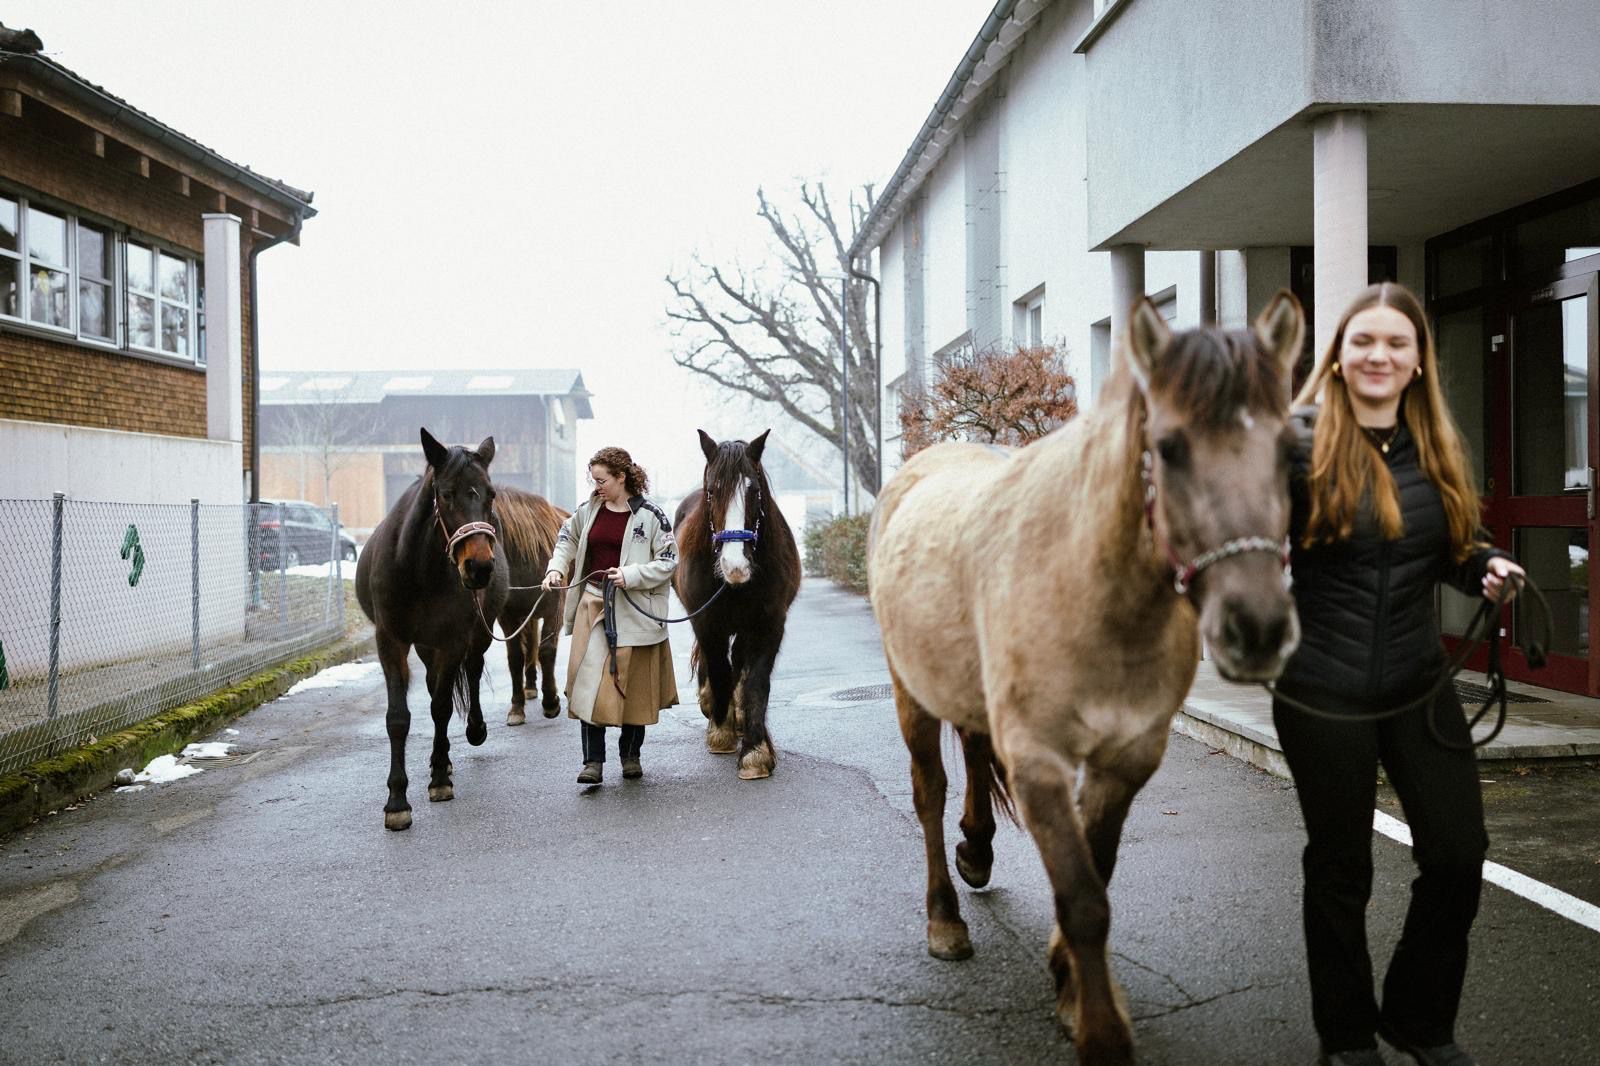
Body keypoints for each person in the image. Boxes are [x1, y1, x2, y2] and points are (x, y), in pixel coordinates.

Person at [1275, 282, 1525, 1066]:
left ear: (1418, 363)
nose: (1379, 355)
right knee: (1341, 865)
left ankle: (1418, 1019)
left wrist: (1485, 565)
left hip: (1420, 683)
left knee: (1458, 854)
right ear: (1340, 359)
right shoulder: (1296, 444)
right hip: (1322, 689)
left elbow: (1451, 545)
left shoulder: (1436, 448)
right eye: (1363, 342)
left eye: (1396, 344)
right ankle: (1347, 1038)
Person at [544, 446, 679, 784]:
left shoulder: (651, 516)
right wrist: (556, 569)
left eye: (602, 480)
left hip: (635, 611)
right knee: (588, 684)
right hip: (593, 604)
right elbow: (566, 540)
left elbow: (668, 560)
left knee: (633, 688)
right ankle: (593, 763)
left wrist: (630, 576)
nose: (597, 486)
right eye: (594, 480)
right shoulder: (588, 510)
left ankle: (630, 756)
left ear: (622, 477)